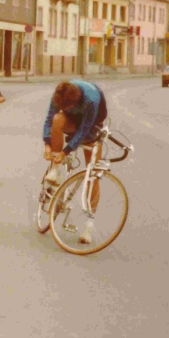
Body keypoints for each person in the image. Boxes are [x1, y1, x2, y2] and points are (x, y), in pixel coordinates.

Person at [42, 80, 106, 244]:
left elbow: (84, 130)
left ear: (75, 102)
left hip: (92, 125)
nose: (63, 108)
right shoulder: (59, 94)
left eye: (67, 107)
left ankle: (89, 225)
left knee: (93, 174)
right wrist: (48, 144)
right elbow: (49, 119)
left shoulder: (90, 100)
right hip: (71, 121)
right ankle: (55, 169)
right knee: (57, 118)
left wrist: (66, 151)